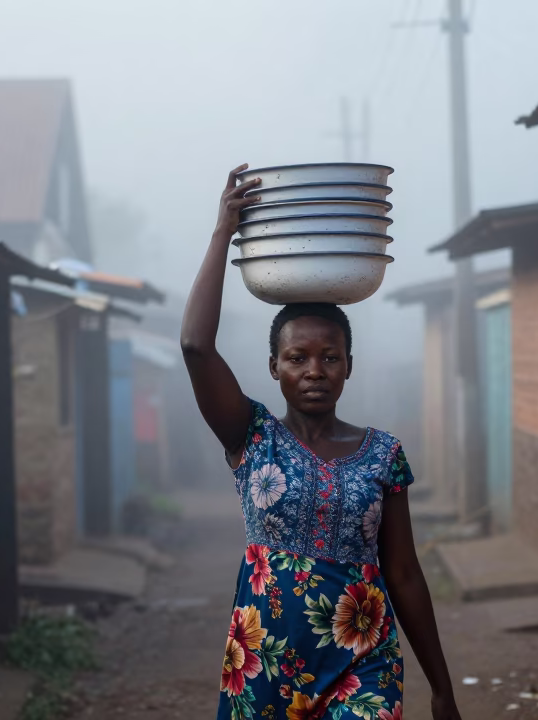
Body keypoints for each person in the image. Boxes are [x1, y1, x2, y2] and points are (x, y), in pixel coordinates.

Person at [181, 164, 463, 720]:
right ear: (274, 367)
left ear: (349, 367)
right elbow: (195, 345)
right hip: (264, 662)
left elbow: (403, 572)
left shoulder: (384, 454)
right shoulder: (251, 434)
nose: (315, 370)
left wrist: (443, 687)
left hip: (365, 659)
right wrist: (223, 232)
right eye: (297, 358)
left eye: (329, 357)